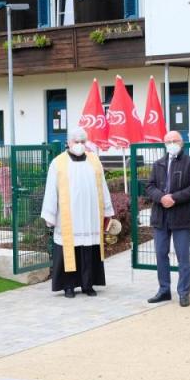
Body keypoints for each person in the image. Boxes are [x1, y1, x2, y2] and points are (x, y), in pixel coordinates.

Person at [40, 127, 114, 298]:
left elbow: (103, 186)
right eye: (76, 141)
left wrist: (107, 211)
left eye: (83, 141)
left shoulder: (94, 160)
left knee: (89, 248)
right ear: (68, 142)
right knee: (69, 249)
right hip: (69, 216)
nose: (80, 145)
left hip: (90, 215)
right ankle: (68, 286)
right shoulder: (58, 163)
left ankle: (88, 284)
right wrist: (50, 215)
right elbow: (51, 189)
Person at [145, 131, 190, 307]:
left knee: (182, 255)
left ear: (182, 142)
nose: (171, 143)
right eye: (168, 141)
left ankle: (183, 292)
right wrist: (161, 198)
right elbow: (149, 186)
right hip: (160, 216)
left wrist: (174, 198)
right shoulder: (158, 164)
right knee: (161, 254)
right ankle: (164, 290)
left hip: (182, 216)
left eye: (174, 140)